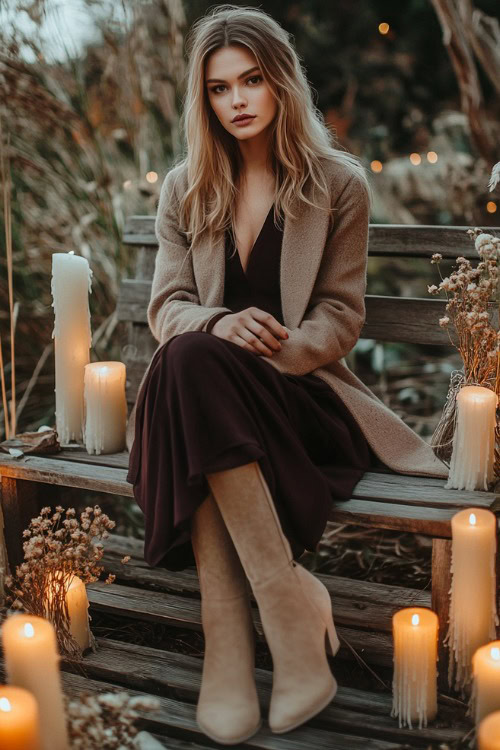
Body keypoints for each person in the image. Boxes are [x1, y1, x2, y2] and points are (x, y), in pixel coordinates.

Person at [125, 4, 449, 745]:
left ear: (281, 85)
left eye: (252, 81)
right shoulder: (186, 187)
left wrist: (264, 350)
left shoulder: (337, 185)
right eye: (218, 88)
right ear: (202, 99)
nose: (236, 100)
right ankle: (264, 619)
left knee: (191, 370)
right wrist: (217, 324)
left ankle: (245, 627)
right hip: (207, 399)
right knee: (192, 357)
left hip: (301, 399)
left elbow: (339, 316)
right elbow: (168, 307)